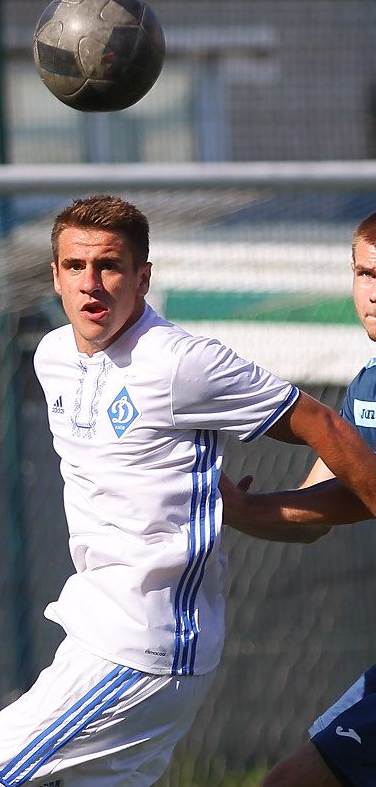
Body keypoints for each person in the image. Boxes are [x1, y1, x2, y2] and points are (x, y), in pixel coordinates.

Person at [0, 195, 376, 787]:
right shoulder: (52, 356)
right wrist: (247, 508)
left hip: (137, 642)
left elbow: (319, 423)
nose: (91, 283)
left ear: (142, 277)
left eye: (110, 266)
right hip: (99, 630)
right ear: (53, 274)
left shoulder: (179, 362)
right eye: (75, 266)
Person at [223, 209, 376, 787]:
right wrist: (234, 510)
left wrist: (255, 509)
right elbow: (319, 505)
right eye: (365, 274)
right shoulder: (369, 381)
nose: (374, 292)